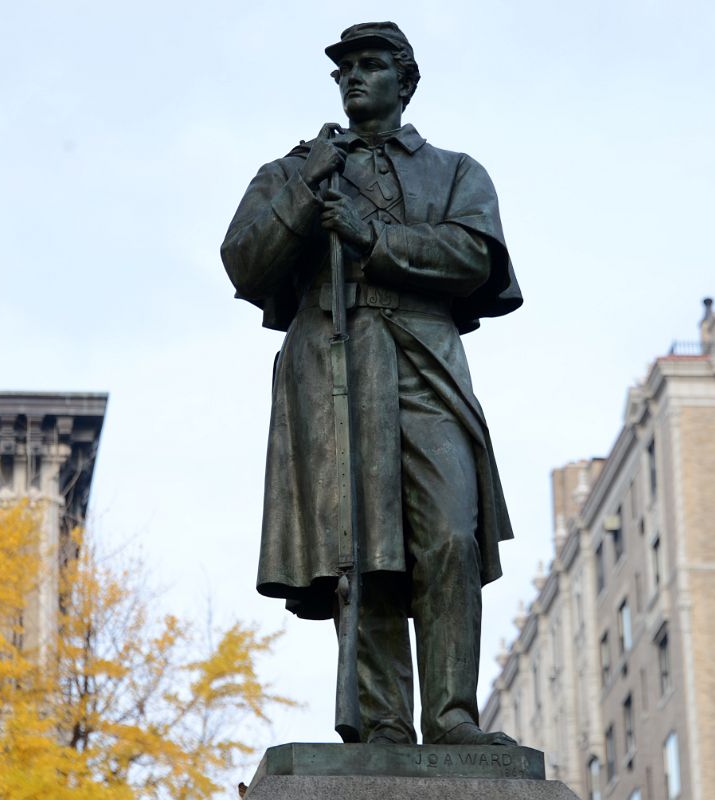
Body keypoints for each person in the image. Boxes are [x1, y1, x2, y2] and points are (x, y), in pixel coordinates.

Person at [221, 21, 521, 746]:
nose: (353, 77)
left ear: (404, 80)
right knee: (365, 546)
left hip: (423, 355)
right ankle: (384, 726)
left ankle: (452, 715)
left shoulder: (455, 171)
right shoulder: (296, 167)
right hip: (333, 359)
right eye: (344, 69)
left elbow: (473, 257)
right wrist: (306, 191)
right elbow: (244, 260)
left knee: (449, 532)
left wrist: (372, 238)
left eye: (370, 65)